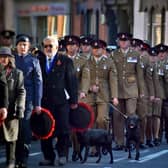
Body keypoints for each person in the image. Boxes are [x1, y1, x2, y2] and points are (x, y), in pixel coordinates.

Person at [38, 35, 78, 166]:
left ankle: (62, 155)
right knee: (45, 130)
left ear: (57, 47)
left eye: (51, 46)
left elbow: (72, 82)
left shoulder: (65, 60)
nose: (48, 48)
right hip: (44, 101)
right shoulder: (38, 60)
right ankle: (48, 156)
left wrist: (73, 100)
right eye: (46, 46)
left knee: (63, 129)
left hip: (61, 101)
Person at [80, 39, 118, 156]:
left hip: (104, 95)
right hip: (90, 95)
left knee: (102, 119)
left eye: (99, 48)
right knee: (91, 121)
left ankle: (104, 142)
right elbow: (85, 77)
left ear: (103, 49)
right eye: (94, 48)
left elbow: (113, 80)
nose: (96, 50)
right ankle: (94, 148)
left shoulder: (109, 62)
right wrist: (85, 90)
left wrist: (114, 96)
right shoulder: (87, 61)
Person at [112, 33, 145, 150]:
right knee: (118, 117)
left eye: (126, 41)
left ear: (129, 41)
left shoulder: (135, 54)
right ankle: (119, 142)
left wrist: (141, 91)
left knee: (132, 116)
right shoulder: (114, 54)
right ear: (118, 42)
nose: (123, 42)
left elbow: (140, 75)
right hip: (118, 89)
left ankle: (133, 140)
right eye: (121, 41)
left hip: (132, 89)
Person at [14, 34, 43, 168]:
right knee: (13, 129)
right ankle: (13, 158)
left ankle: (23, 158)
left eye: (25, 44)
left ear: (29, 46)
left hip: (28, 100)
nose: (23, 47)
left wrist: (37, 103)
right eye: (20, 44)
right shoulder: (11, 60)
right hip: (12, 99)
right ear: (16, 46)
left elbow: (38, 83)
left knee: (25, 129)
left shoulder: (34, 61)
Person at [0, 47, 25, 168]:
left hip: (12, 108)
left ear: (10, 58)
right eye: (1, 57)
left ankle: (11, 161)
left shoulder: (17, 73)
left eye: (6, 57)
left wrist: (19, 107)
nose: (3, 59)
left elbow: (21, 91)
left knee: (11, 137)